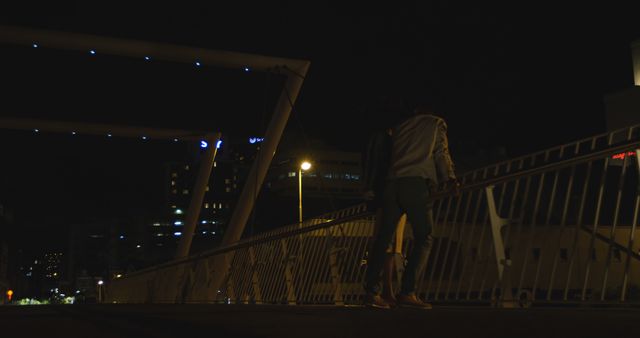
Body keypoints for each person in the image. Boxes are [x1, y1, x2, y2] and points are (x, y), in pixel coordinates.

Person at [364, 100, 459, 309]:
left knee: (383, 239)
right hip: (415, 183)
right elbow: (440, 152)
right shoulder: (436, 123)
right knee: (424, 236)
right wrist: (449, 178)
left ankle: (371, 292)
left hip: (392, 183)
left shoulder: (401, 126)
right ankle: (407, 291)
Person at [362, 121, 407, 307]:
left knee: (387, 246)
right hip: (390, 196)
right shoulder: (389, 141)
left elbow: (371, 165)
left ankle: (384, 291)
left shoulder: (377, 137)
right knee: (387, 245)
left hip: (382, 196)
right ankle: (377, 292)